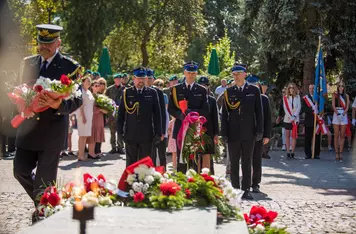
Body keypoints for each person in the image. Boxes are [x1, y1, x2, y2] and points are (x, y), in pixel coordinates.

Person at [13, 24, 82, 222]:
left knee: (44, 181)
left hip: (52, 132)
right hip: (27, 129)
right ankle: (46, 202)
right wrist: (19, 103)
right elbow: (20, 90)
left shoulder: (71, 67)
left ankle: (43, 214)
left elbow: (77, 100)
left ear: (58, 43)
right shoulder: (27, 63)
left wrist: (57, 103)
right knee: (20, 171)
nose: (44, 47)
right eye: (41, 42)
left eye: (49, 43)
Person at [221, 64, 263, 200]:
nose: (236, 76)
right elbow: (225, 115)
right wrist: (224, 133)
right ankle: (235, 189)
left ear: (245, 74)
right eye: (234, 74)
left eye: (239, 73)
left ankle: (246, 189)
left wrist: (259, 130)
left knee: (246, 161)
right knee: (234, 162)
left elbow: (259, 112)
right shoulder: (228, 92)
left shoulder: (254, 90)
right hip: (233, 133)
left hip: (249, 132)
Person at [168, 61, 209, 172]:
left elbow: (205, 110)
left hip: (195, 128)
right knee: (181, 158)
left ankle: (193, 183)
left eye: (193, 73)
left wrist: (193, 115)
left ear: (196, 74)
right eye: (189, 72)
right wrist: (181, 116)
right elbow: (170, 108)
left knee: (195, 158)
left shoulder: (202, 90)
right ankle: (182, 184)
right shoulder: (175, 89)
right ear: (185, 73)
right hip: (180, 127)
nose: (191, 75)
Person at [117, 67, 162, 167]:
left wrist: (158, 132)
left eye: (143, 78)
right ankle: (130, 183)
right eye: (139, 78)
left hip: (147, 135)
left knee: (145, 165)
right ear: (134, 78)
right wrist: (119, 133)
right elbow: (121, 114)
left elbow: (157, 114)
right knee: (130, 165)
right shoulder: (127, 93)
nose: (141, 81)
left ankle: (144, 183)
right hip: (130, 134)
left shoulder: (152, 93)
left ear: (146, 79)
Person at [245, 75, 271, 194]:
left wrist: (266, 135)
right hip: (245, 133)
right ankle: (246, 182)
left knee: (256, 159)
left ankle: (255, 183)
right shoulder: (244, 96)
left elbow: (267, 119)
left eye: (255, 85)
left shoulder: (264, 99)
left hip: (258, 134)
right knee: (245, 159)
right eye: (250, 85)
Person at [197, 76, 219, 173]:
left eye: (205, 85)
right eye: (201, 85)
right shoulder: (194, 98)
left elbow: (215, 117)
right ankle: (196, 177)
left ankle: (207, 178)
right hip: (196, 131)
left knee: (207, 155)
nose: (203, 87)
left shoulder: (212, 100)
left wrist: (216, 133)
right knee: (196, 155)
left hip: (209, 131)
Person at [146, 69, 167, 168]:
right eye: (146, 78)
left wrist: (162, 131)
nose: (148, 80)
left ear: (153, 79)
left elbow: (162, 113)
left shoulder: (158, 92)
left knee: (156, 154)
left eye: (150, 78)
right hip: (143, 127)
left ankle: (158, 174)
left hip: (155, 127)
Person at [279, 82, 301, 159]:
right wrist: (290, 116)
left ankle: (293, 152)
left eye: (292, 88)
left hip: (295, 119)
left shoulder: (298, 97)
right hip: (287, 119)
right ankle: (288, 152)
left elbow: (299, 107)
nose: (291, 89)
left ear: (294, 89)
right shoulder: (285, 97)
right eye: (290, 88)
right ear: (288, 89)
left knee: (294, 136)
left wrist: (294, 116)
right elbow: (285, 108)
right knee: (287, 136)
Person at [76, 75, 94, 161]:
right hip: (83, 115)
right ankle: (81, 155)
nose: (89, 83)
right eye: (87, 81)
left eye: (90, 81)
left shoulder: (88, 91)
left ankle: (81, 154)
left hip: (89, 115)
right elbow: (81, 106)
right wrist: (83, 116)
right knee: (82, 136)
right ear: (83, 82)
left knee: (85, 135)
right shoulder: (81, 91)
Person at [106, 73, 125, 154]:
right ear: (114, 80)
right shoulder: (109, 89)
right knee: (112, 131)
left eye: (119, 79)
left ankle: (120, 147)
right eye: (116, 79)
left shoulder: (125, 89)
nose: (118, 80)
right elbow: (106, 100)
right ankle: (113, 147)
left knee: (120, 131)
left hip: (121, 113)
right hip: (112, 113)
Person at [87, 80, 107, 159]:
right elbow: (92, 108)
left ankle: (94, 152)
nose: (97, 87)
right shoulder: (91, 96)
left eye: (98, 86)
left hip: (100, 118)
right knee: (93, 134)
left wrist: (106, 109)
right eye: (95, 86)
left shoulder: (99, 96)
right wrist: (101, 110)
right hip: (93, 117)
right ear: (91, 87)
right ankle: (91, 153)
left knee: (97, 134)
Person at [302, 84, 321, 159]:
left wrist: (318, 110)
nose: (311, 90)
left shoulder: (318, 98)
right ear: (308, 89)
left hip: (317, 120)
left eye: (313, 88)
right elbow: (304, 109)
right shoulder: (305, 98)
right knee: (308, 138)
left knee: (317, 137)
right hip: (309, 120)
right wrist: (313, 110)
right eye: (310, 88)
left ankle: (316, 154)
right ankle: (308, 154)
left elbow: (322, 107)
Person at [332, 81, 349, 162]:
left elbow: (347, 107)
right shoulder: (335, 95)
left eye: (342, 86)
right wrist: (337, 113)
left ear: (344, 87)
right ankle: (336, 153)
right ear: (338, 87)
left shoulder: (346, 96)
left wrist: (343, 114)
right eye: (339, 86)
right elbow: (333, 105)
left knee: (342, 135)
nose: (341, 87)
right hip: (336, 114)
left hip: (343, 115)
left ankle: (341, 153)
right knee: (336, 135)